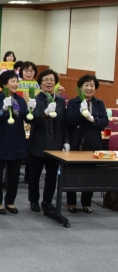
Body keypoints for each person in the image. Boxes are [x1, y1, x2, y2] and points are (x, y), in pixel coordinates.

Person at [27, 69, 69, 213]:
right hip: (38, 143)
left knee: (51, 176)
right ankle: (33, 200)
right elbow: (33, 121)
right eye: (45, 80)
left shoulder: (61, 100)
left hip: (55, 145)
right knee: (34, 175)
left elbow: (64, 123)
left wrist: (66, 141)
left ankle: (47, 201)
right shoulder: (35, 100)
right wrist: (44, 113)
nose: (49, 82)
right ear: (40, 84)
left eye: (52, 79)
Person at [65, 74, 108, 213]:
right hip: (76, 144)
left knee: (90, 175)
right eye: (86, 85)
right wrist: (80, 113)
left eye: (92, 86)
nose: (89, 88)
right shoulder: (73, 102)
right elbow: (68, 121)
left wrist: (91, 118)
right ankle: (71, 203)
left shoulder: (99, 103)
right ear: (80, 87)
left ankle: (86, 203)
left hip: (93, 145)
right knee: (73, 174)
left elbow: (104, 123)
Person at [0, 70, 28, 215]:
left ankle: (10, 201)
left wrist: (30, 109)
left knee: (14, 176)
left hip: (17, 142)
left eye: (17, 81)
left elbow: (26, 118)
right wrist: (4, 110)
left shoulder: (19, 99)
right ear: (4, 84)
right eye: (13, 81)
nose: (16, 84)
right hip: (0, 141)